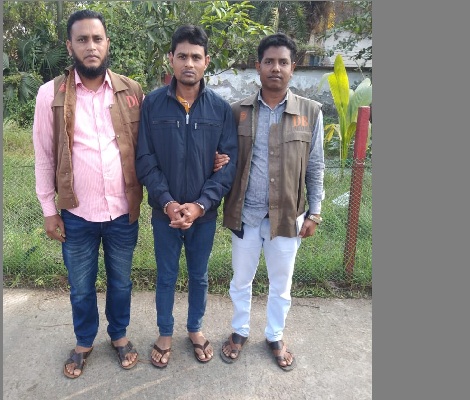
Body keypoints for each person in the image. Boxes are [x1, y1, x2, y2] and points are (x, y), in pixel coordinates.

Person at [32, 10, 145, 379]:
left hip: (122, 212)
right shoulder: (50, 94)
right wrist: (49, 210)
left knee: (121, 282)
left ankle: (119, 335)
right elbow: (44, 154)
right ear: (70, 46)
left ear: (107, 43)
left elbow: (151, 146)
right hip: (77, 215)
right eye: (82, 39)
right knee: (81, 287)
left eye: (97, 39)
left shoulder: (131, 91)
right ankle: (84, 341)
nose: (91, 46)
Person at [220, 33, 325, 372]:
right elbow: (224, 157)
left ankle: (275, 335)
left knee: (281, 285)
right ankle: (239, 331)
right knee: (241, 280)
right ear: (258, 66)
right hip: (245, 215)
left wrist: (315, 212)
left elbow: (315, 165)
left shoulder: (309, 112)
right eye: (269, 62)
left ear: (293, 68)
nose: (275, 68)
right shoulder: (238, 112)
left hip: (287, 218)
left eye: (283, 62)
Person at [135, 24, 238, 368]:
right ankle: (165, 333)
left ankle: (195, 328)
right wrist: (167, 202)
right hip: (164, 214)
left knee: (199, 276)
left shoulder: (220, 110)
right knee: (165, 276)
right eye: (182, 56)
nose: (189, 63)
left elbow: (228, 165)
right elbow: (145, 159)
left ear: (206, 61)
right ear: (171, 59)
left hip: (203, 216)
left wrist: (200, 205)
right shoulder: (152, 105)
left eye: (196, 57)